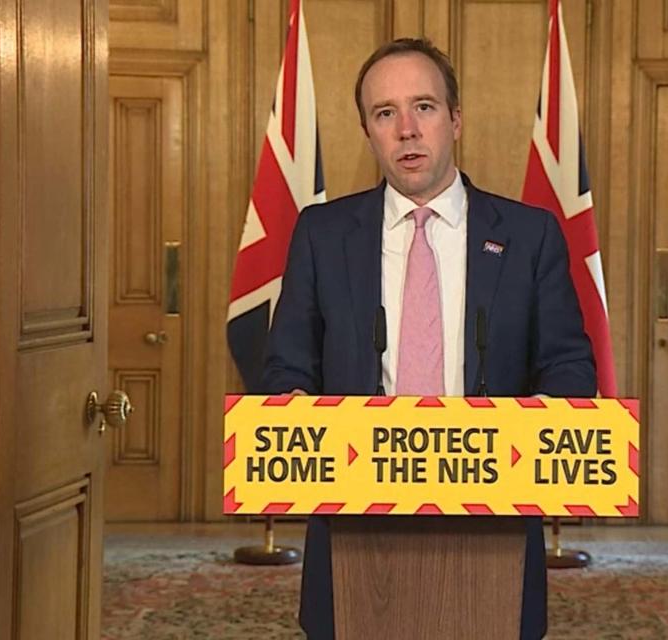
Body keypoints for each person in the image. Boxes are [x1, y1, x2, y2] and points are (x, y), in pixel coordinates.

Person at [261, 37, 596, 640]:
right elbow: (286, 367)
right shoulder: (322, 233)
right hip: (353, 523)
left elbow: (569, 366)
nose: (407, 130)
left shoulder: (528, 236)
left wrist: (536, 429)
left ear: (456, 120)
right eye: (385, 113)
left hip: (491, 522)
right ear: (367, 130)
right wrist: (294, 413)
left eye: (425, 108)